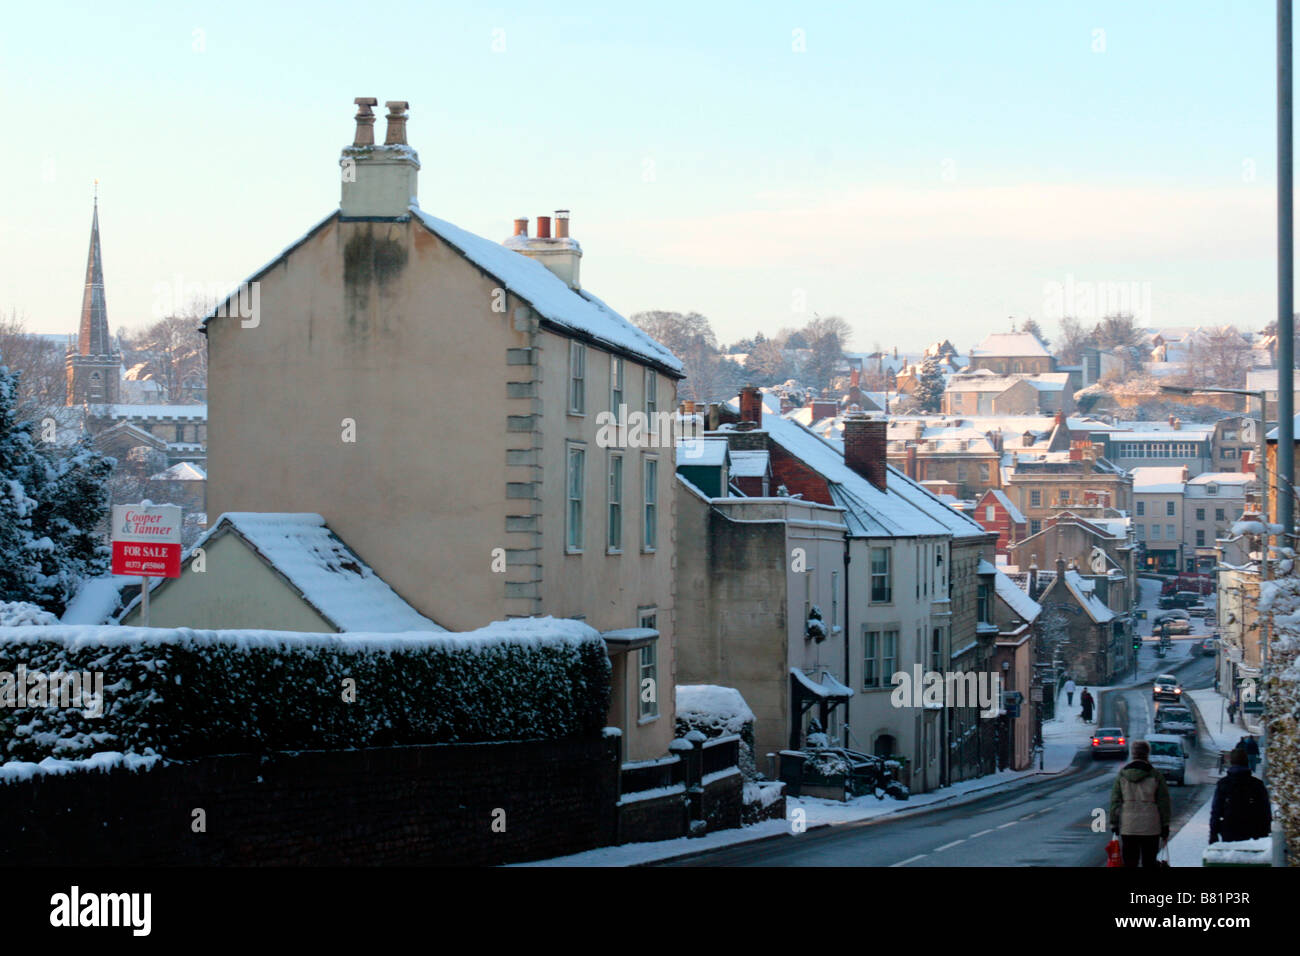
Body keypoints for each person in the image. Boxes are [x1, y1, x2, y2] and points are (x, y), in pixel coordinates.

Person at [1110, 740, 1172, 867]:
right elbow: (1164, 802)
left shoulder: (1122, 775)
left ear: (1133, 754)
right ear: (1147, 753)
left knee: (1130, 862)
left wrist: (1114, 823)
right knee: (1149, 862)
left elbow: (1115, 801)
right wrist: (1165, 825)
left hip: (1128, 827)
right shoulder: (1155, 775)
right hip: (1151, 828)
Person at [1210, 749, 1271, 844]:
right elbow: (1265, 811)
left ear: (1231, 762)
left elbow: (1216, 810)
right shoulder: (1257, 784)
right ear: (1247, 762)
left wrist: (1213, 833)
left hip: (1229, 830)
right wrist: (1265, 832)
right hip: (1254, 832)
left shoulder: (1223, 784)